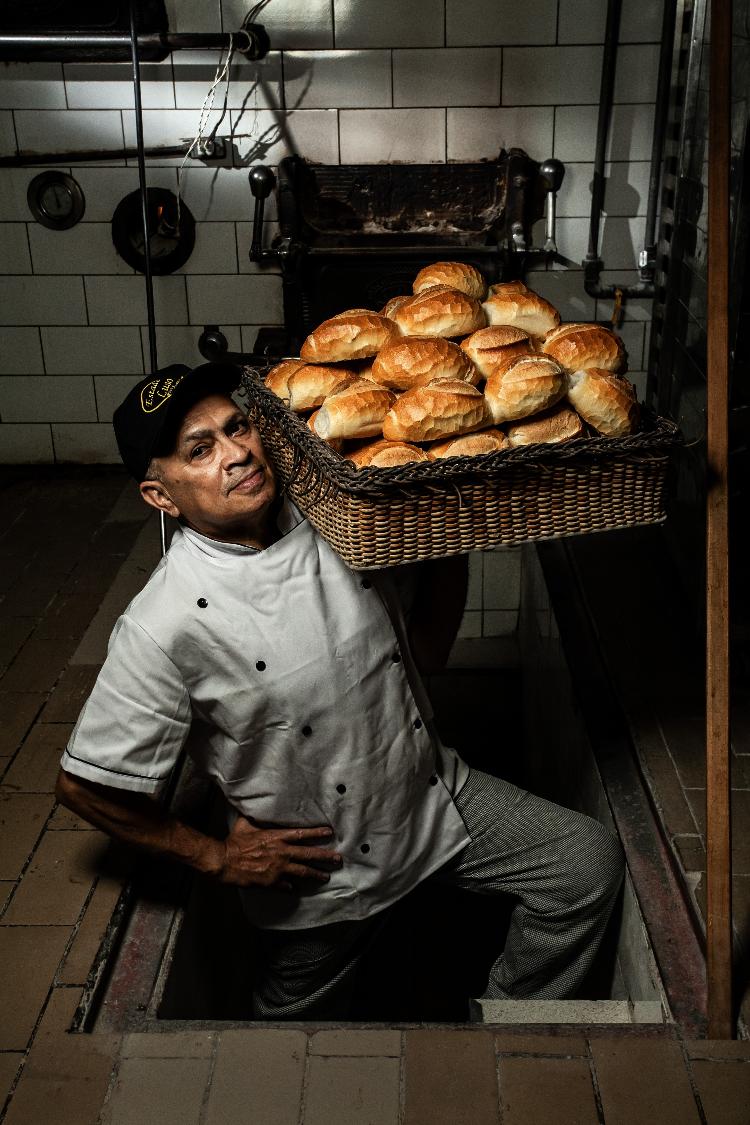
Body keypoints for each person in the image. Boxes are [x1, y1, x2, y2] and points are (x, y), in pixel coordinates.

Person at [55, 361, 624, 1019]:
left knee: (585, 867)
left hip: (431, 797)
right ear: (161, 495)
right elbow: (83, 786)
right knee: (289, 1037)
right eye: (200, 449)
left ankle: (496, 1028)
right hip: (326, 871)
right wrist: (215, 854)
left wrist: (450, 536)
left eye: (235, 427)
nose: (237, 453)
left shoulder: (337, 512)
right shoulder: (165, 622)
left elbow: (428, 654)